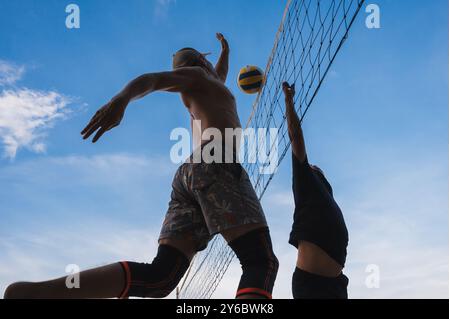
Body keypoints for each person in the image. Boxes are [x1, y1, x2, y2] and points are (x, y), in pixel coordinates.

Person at [4, 33, 278, 299]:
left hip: (191, 172)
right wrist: (122, 99)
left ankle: (39, 293)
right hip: (216, 160)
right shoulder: (198, 77)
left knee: (161, 277)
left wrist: (225, 53)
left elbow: (219, 74)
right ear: (201, 63)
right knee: (260, 262)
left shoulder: (207, 84)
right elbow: (152, 80)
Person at [282, 82, 349, 299]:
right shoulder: (305, 182)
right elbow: (296, 137)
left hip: (337, 285)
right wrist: (289, 102)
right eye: (310, 165)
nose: (313, 165)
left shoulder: (326, 196)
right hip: (312, 285)